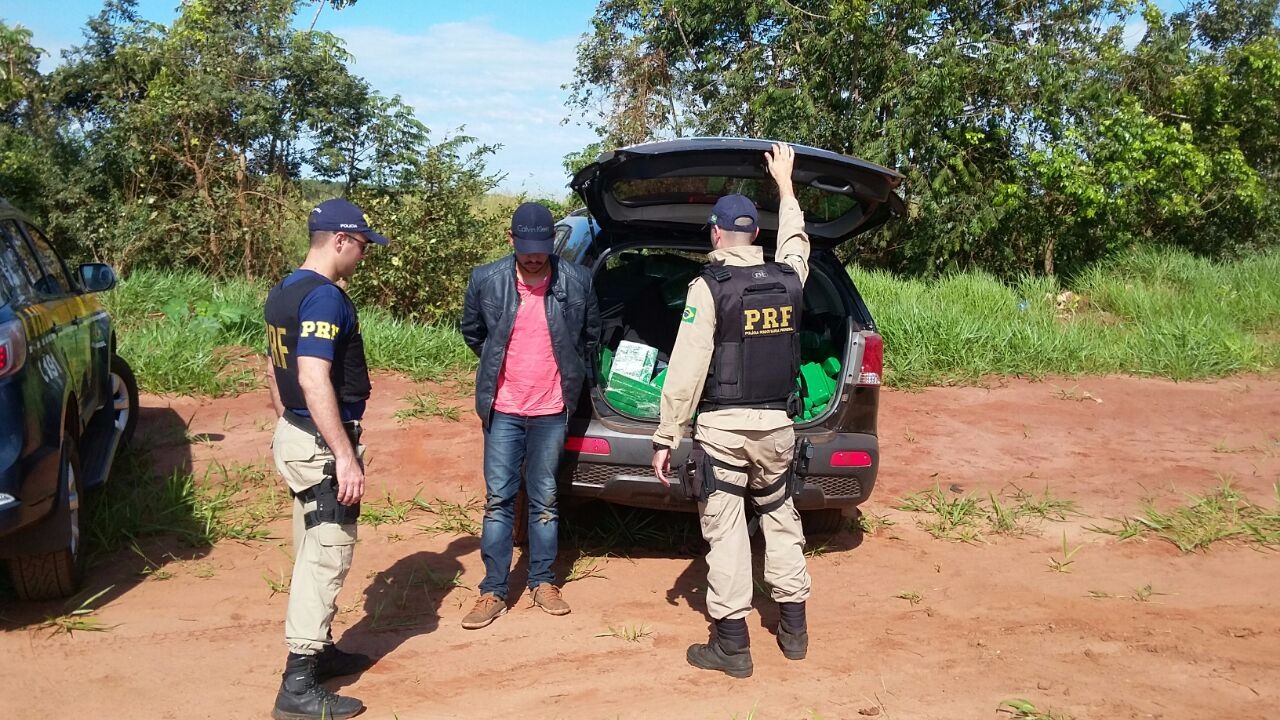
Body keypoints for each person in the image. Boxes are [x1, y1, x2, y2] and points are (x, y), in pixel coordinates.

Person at [650, 143, 812, 679]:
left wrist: (666, 435)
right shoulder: (790, 278)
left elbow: (688, 368)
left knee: (727, 532)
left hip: (723, 430)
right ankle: (794, 631)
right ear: (756, 235)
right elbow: (797, 242)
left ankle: (733, 645)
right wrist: (786, 188)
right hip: (778, 428)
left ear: (716, 234)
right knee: (782, 521)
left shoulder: (709, 287)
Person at [264, 198, 388, 719]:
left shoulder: (285, 291)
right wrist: (343, 455)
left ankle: (321, 650)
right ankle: (298, 685)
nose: (362, 256)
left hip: (295, 432)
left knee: (310, 542)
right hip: (319, 444)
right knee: (327, 552)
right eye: (361, 246)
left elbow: (273, 367)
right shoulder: (325, 299)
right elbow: (313, 376)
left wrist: (287, 422)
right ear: (339, 240)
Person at [458, 201, 600, 629]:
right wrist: (500, 365)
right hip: (503, 409)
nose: (535, 256)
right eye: (527, 248)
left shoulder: (576, 281)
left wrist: (565, 374)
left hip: (552, 409)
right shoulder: (487, 279)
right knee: (498, 499)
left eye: (542, 247)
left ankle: (542, 582)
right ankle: (492, 590)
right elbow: (473, 333)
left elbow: (590, 336)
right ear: (511, 241)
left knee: (545, 499)